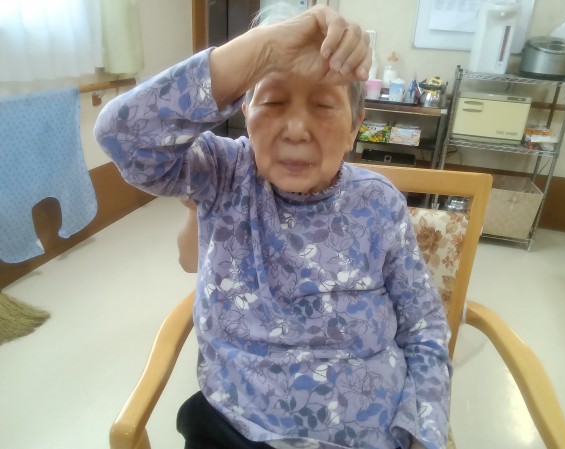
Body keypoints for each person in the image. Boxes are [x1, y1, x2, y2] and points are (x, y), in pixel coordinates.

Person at [94, 4, 451, 449]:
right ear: (246, 111)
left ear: (355, 127)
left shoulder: (379, 203)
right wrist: (262, 50)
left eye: (324, 105)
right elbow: (122, 136)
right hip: (235, 429)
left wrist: (424, 433)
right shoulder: (223, 175)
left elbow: (424, 327)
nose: (296, 129)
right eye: (274, 101)